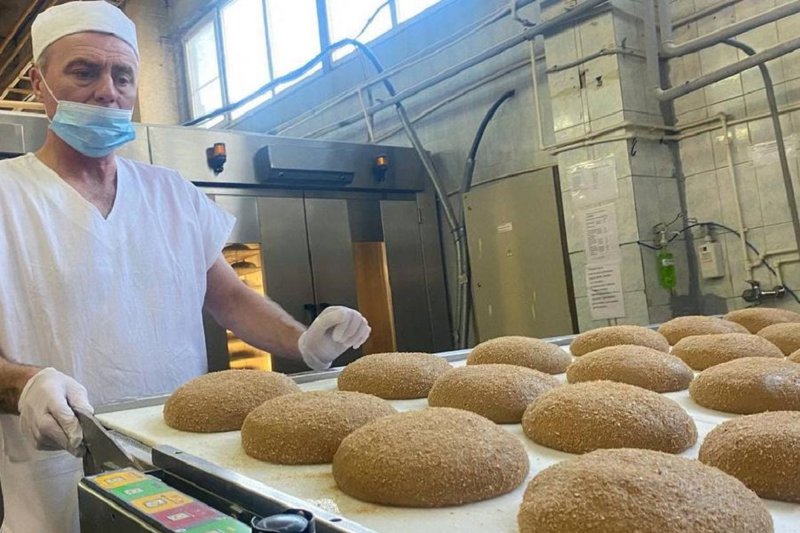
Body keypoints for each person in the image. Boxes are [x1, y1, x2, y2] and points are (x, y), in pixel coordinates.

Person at [0, 2, 371, 532]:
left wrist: (303, 341)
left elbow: (230, 297)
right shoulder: (7, 198)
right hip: (56, 484)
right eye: (84, 72)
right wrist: (24, 384)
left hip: (180, 468)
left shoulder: (171, 193)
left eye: (122, 76)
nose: (107, 91)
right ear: (39, 83)